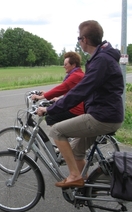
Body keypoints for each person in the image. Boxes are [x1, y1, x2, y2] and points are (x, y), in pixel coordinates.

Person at [37, 20, 124, 188]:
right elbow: (82, 91)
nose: (78, 42)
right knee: (76, 150)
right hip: (105, 113)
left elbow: (80, 91)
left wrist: (50, 109)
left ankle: (75, 176)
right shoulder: (101, 58)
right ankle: (84, 189)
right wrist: (57, 101)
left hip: (102, 116)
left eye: (78, 38)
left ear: (84, 39)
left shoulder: (101, 61)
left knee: (56, 130)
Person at [31, 51, 85, 126]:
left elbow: (61, 88)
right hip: (74, 106)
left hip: (76, 109)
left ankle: (62, 136)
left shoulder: (76, 76)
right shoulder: (78, 74)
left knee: (50, 118)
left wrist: (40, 97)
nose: (64, 66)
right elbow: (71, 94)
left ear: (73, 65)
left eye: (66, 64)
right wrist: (54, 98)